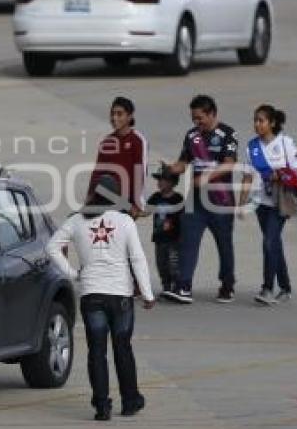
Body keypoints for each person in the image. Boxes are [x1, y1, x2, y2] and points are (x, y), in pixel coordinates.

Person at [46, 174, 154, 422]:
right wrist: (147, 293)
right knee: (122, 348)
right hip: (121, 296)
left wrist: (74, 274)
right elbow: (137, 258)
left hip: (92, 293)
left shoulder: (76, 220)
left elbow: (51, 247)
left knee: (97, 351)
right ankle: (130, 401)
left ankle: (102, 406)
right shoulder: (125, 221)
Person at [164, 94, 238, 304]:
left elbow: (229, 163)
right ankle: (183, 286)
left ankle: (227, 284)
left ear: (212, 113)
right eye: (194, 119)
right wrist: (170, 169)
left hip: (220, 200)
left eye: (200, 118)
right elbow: (183, 163)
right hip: (195, 201)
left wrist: (206, 176)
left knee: (224, 244)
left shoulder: (228, 134)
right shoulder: (192, 136)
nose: (197, 123)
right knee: (188, 241)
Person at [238, 105, 297, 305]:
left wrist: (280, 175)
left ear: (272, 123)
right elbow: (248, 176)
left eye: (261, 120)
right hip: (261, 203)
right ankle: (285, 287)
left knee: (269, 242)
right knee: (273, 243)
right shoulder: (252, 147)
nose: (257, 124)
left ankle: (267, 288)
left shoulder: (286, 143)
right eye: (255, 120)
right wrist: (241, 204)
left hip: (281, 202)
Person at [88, 97, 149, 218]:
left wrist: (137, 205)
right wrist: (89, 198)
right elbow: (97, 173)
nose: (114, 118)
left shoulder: (137, 140)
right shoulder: (107, 142)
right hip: (105, 199)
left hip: (126, 204)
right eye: (112, 114)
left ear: (130, 116)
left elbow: (140, 172)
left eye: (119, 114)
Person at [146, 164, 184, 298]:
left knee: (174, 263)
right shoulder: (156, 197)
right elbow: (146, 211)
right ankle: (166, 286)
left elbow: (183, 218)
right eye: (159, 180)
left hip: (174, 238)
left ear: (173, 182)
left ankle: (177, 287)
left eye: (164, 180)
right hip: (159, 237)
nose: (160, 182)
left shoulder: (178, 199)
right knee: (161, 264)